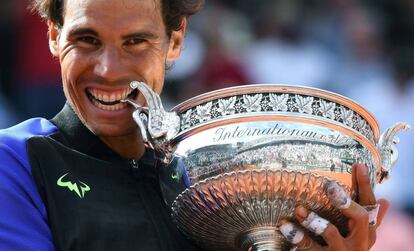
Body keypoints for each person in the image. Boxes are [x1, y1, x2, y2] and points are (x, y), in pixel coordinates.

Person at [0, 0, 389, 250]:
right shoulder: (16, 163)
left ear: (175, 40)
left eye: (136, 42)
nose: (108, 70)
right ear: (53, 36)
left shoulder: (217, 182)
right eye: (86, 39)